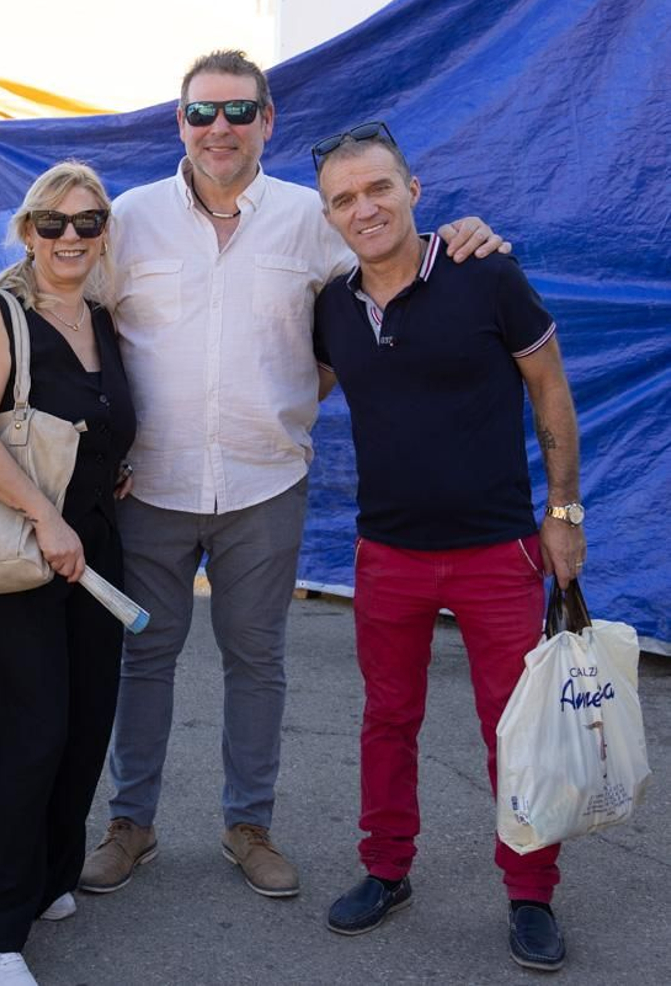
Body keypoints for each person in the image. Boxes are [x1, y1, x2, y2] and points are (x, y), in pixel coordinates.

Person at [82, 49, 511, 901]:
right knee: (144, 657)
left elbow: (391, 270)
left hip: (265, 482)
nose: (220, 128)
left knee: (257, 660)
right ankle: (130, 823)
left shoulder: (311, 218)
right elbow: (81, 320)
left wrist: (468, 234)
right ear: (180, 123)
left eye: (239, 111)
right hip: (150, 484)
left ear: (268, 121)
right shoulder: (130, 219)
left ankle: (249, 825)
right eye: (202, 112)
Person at [310, 123, 583, 971]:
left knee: (515, 729)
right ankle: (386, 868)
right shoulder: (331, 307)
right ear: (329, 214)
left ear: (413, 190)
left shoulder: (487, 273)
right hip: (387, 552)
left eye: (378, 188)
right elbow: (293, 391)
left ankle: (530, 890)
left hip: (498, 550)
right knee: (388, 718)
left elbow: (551, 389)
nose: (364, 208)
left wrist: (564, 512)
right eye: (344, 198)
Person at [0, 163, 135, 986]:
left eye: (87, 222)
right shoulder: (0, 314)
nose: (70, 237)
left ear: (103, 234)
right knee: (24, 734)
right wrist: (44, 514)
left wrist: (108, 467)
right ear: (27, 232)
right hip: (16, 550)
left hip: (90, 550)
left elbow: (93, 420)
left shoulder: (100, 317)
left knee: (85, 722)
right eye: (52, 222)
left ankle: (47, 874)